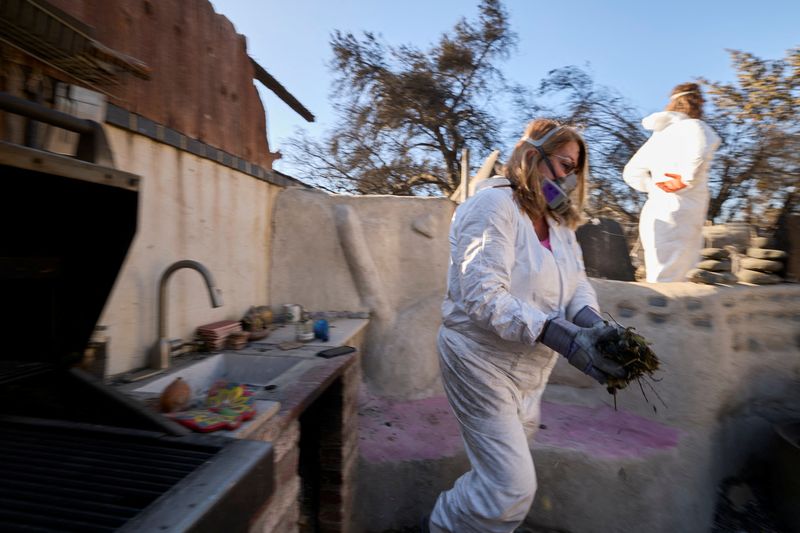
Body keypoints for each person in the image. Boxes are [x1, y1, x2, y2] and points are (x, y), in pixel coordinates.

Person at [426, 119, 627, 533]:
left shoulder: (556, 224)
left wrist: (592, 326)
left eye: (575, 170)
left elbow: (576, 284)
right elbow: (484, 297)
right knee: (509, 488)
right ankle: (443, 526)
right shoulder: (491, 207)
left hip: (530, 370)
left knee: (500, 482)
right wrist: (564, 338)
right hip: (480, 362)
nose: (569, 179)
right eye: (565, 165)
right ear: (533, 156)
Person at [623, 82, 721, 282]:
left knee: (659, 277)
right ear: (697, 102)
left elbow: (631, 173)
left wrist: (655, 189)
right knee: (678, 279)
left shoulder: (658, 138)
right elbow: (704, 148)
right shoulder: (695, 126)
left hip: (656, 212)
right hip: (681, 215)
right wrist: (685, 179)